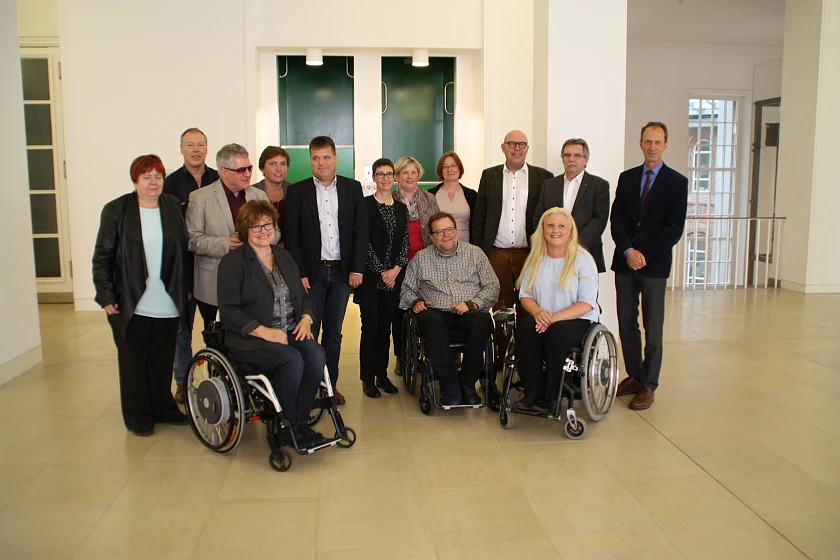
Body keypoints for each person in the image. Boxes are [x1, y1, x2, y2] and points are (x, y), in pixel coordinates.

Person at [93, 155, 191, 436]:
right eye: (146, 176)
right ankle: (138, 416)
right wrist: (106, 294)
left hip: (167, 298)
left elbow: (183, 253)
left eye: (158, 176)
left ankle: (163, 407)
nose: (153, 182)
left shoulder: (171, 205)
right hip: (130, 298)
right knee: (134, 361)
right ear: (135, 180)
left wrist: (186, 287)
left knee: (161, 360)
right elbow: (102, 256)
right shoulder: (117, 210)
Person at [216, 200, 327, 447]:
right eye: (256, 226)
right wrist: (265, 332)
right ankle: (287, 425)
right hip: (252, 338)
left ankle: (298, 421)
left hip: (290, 329)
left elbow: (303, 295)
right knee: (292, 359)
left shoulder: (284, 256)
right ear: (245, 229)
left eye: (268, 224)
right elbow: (229, 311)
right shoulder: (233, 263)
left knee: (317, 356)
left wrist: (307, 318)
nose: (264, 230)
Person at [284, 136, 369, 405]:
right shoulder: (297, 192)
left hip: (343, 274)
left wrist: (357, 268)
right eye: (316, 158)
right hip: (313, 274)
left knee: (333, 334)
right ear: (310, 160)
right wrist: (300, 273)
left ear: (336, 158)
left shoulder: (352, 188)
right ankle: (308, 387)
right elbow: (292, 235)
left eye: (326, 157)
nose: (321, 163)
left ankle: (329, 387)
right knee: (310, 331)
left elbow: (361, 232)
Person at [611, 121, 688, 410]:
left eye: (658, 142)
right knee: (627, 324)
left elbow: (673, 229)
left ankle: (649, 384)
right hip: (625, 264)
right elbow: (616, 218)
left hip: (654, 265)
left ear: (665, 145)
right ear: (641, 144)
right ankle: (634, 374)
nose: (652, 147)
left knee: (653, 328)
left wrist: (642, 253)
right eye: (647, 141)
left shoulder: (677, 182)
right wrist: (628, 250)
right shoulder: (627, 178)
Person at [471, 129, 554, 368]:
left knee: (529, 308)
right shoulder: (490, 176)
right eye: (512, 144)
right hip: (496, 254)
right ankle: (504, 355)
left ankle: (528, 357)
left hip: (530, 255)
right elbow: (480, 215)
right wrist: (481, 251)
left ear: (527, 148)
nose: (517, 148)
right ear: (503, 147)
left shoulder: (543, 177)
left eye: (522, 144)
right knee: (501, 308)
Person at [399, 212, 500, 405]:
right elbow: (406, 290)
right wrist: (414, 302)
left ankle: (467, 383)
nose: (446, 235)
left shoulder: (475, 253)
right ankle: (449, 381)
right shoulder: (420, 259)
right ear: (431, 236)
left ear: (456, 231)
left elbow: (492, 286)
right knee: (430, 320)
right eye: (439, 232)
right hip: (436, 313)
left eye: (450, 229)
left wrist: (473, 304)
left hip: (469, 311)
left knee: (483, 321)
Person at [185, 143, 274, 350]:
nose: (247, 174)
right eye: (241, 170)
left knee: (250, 340)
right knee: (218, 342)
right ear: (223, 172)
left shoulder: (258, 196)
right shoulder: (200, 198)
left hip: (254, 282)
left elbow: (275, 231)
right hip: (213, 285)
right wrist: (226, 244)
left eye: (249, 168)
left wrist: (258, 238)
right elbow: (192, 239)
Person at [513, 207, 599, 412]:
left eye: (561, 226)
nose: (555, 230)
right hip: (543, 318)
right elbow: (525, 295)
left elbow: (587, 303)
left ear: (570, 230)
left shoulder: (582, 259)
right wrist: (537, 313)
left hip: (577, 320)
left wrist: (553, 319)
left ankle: (552, 397)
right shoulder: (537, 258)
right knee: (525, 326)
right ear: (543, 229)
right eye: (550, 225)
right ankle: (532, 391)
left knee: (557, 333)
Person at [162, 127, 219, 404]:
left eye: (201, 145)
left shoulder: (220, 180)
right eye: (190, 145)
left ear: (207, 149)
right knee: (181, 334)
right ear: (181, 149)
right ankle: (183, 383)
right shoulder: (170, 185)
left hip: (214, 272)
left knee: (215, 332)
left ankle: (217, 381)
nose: (196, 150)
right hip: (183, 273)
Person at [354, 158, 408, 398]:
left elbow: (404, 242)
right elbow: (362, 243)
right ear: (373, 178)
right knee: (370, 330)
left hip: (393, 280)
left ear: (393, 178)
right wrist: (381, 271)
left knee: (385, 329)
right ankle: (367, 379)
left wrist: (396, 269)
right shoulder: (363, 206)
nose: (385, 179)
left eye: (389, 174)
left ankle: (382, 375)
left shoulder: (400, 208)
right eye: (380, 174)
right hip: (371, 279)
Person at [390, 156, 440, 377]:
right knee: (399, 312)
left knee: (426, 309)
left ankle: (423, 354)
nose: (409, 177)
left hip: (425, 264)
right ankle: (402, 356)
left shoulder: (430, 199)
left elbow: (437, 230)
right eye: (404, 173)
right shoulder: (390, 199)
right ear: (397, 176)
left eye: (413, 172)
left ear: (418, 175)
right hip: (398, 266)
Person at [533, 138, 610, 272]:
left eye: (577, 155)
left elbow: (599, 221)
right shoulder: (549, 185)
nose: (571, 159)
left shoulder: (598, 185)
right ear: (562, 158)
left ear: (586, 160)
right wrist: (552, 245)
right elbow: (539, 219)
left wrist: (571, 246)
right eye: (567, 155)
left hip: (586, 254)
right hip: (551, 256)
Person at [429, 151, 476, 243]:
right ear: (441, 171)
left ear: (460, 168)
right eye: (445, 166)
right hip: (439, 248)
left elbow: (478, 224)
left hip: (466, 248)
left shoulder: (472, 195)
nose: (449, 169)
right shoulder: (430, 195)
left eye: (453, 165)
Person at [252, 146, 291, 241]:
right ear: (262, 168)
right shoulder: (251, 192)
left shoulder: (295, 191)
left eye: (283, 164)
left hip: (289, 250)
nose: (279, 169)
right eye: (273, 164)